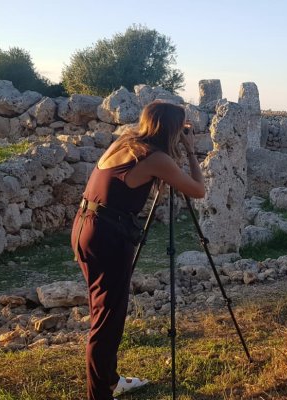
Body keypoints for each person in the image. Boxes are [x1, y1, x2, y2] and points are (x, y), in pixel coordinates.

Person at [71, 101, 205, 400]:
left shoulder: (127, 141)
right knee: (106, 321)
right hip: (107, 237)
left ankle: (110, 380)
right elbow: (198, 190)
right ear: (172, 128)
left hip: (84, 226)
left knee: (103, 311)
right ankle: (99, 395)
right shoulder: (155, 157)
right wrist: (191, 150)